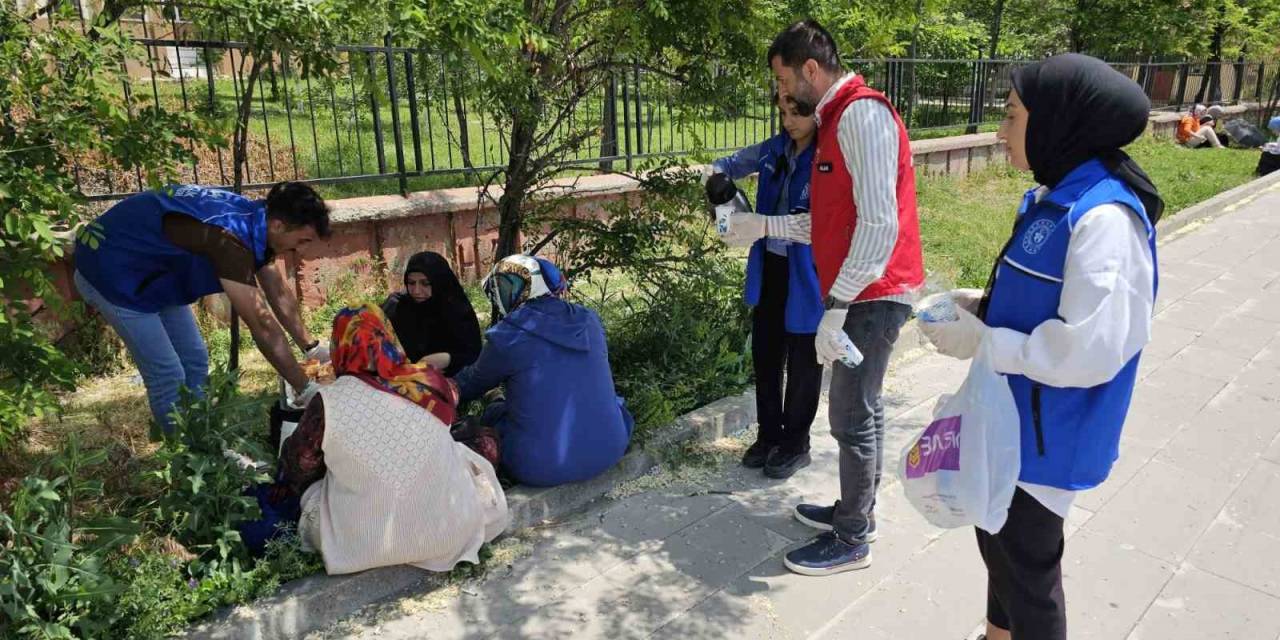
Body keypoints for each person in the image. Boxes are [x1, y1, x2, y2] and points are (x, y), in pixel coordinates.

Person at [920, 53, 1161, 640]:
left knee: (1028, 579)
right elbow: (1050, 299)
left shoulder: (1103, 219)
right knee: (999, 551)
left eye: (1011, 116)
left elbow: (1090, 349)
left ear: (1058, 120)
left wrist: (987, 343)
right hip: (1012, 424)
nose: (1001, 133)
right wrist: (985, 306)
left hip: (1044, 441)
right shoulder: (1057, 195)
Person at [722, 19, 925, 576]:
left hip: (872, 293)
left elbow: (879, 225)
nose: (783, 96)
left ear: (810, 69)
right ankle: (857, 510)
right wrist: (763, 227)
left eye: (786, 82)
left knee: (850, 416)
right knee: (865, 409)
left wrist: (835, 306)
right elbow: (825, 224)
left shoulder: (860, 115)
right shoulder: (834, 121)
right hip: (862, 289)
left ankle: (852, 538)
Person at [267, 304, 507, 575]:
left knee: (316, 490)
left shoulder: (327, 401)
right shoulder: (426, 383)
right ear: (388, 337)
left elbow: (300, 465)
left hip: (359, 545)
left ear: (338, 345)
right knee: (465, 455)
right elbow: (451, 406)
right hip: (449, 532)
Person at [73, 182, 332, 432]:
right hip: (112, 273)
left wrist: (313, 348)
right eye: (302, 240)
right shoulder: (228, 239)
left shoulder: (257, 220)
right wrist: (306, 389)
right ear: (278, 225)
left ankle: (203, 441)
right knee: (168, 375)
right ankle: (189, 458)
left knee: (194, 360)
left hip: (155, 273)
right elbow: (262, 326)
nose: (301, 250)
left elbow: (276, 290)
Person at [707, 92, 824, 480]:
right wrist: (718, 188)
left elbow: (816, 226)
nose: (789, 121)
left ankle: (796, 444)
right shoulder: (773, 150)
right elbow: (723, 165)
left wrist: (761, 224)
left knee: (804, 359)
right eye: (783, 113)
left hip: (808, 273)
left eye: (797, 113)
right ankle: (768, 436)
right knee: (767, 354)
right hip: (771, 266)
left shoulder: (828, 156)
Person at [453, 255, 633, 488]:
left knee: (494, 413)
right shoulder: (589, 320)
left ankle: (496, 400)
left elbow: (472, 383)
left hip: (540, 468)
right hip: (611, 447)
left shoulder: (508, 337)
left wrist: (441, 384)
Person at [381, 251, 482, 377]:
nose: (416, 291)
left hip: (447, 379)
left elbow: (473, 355)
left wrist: (446, 359)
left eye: (425, 283)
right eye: (411, 283)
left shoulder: (456, 310)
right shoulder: (398, 307)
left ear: (439, 282)